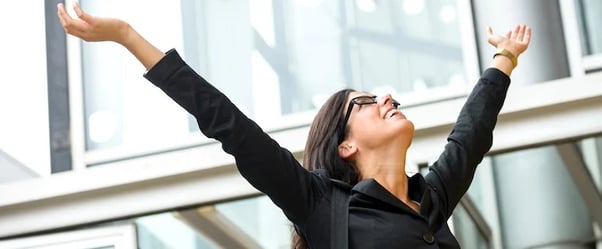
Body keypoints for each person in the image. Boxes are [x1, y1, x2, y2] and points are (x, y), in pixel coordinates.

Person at [57, 3, 531, 248]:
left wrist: (505, 58)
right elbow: (229, 125)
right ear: (344, 146)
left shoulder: (430, 198)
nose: (387, 98)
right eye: (366, 102)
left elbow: (471, 134)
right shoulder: (321, 205)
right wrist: (126, 37)